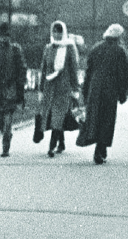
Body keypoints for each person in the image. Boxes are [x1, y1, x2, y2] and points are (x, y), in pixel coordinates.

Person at [82, 23, 128, 164]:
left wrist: (86, 91)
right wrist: (122, 94)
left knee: (96, 117)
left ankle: (100, 148)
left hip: (94, 88)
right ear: (119, 36)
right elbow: (123, 75)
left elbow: (88, 72)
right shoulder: (120, 51)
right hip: (110, 90)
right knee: (107, 119)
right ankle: (100, 149)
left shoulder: (96, 48)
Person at [0, 22, 27, 157]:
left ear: (10, 37)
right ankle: (6, 134)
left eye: (7, 36)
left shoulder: (15, 50)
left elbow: (22, 69)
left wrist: (21, 86)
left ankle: (5, 146)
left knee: (7, 120)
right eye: (2, 36)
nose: (4, 38)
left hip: (11, 89)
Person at [38, 20, 80, 157]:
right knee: (53, 116)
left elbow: (73, 69)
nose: (56, 34)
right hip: (50, 88)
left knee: (58, 116)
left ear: (64, 33)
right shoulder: (48, 48)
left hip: (63, 88)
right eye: (54, 31)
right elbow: (43, 69)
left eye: (59, 31)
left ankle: (51, 147)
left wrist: (75, 88)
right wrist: (40, 88)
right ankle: (61, 142)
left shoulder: (69, 48)